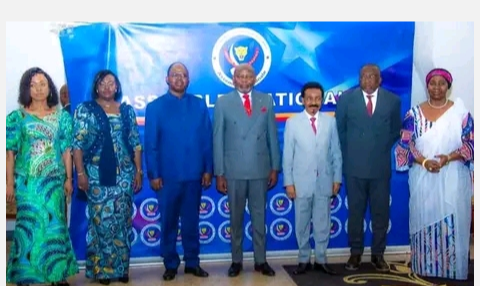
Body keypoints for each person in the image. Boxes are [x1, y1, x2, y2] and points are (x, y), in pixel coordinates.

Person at [394, 68, 473, 280]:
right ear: (427, 85)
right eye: (432, 83)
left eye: (442, 84)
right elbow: (405, 145)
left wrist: (448, 158)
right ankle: (424, 267)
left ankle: (452, 270)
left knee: (451, 219)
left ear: (448, 86)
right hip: (423, 177)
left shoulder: (461, 115)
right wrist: (424, 161)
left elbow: (470, 146)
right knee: (423, 218)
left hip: (452, 177)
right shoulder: (413, 115)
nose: (437, 88)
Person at [6, 67, 79, 286]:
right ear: (26, 89)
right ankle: (26, 274)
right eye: (33, 84)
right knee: (28, 227)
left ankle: (58, 274)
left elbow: (67, 150)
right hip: (27, 184)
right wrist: (9, 183)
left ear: (50, 88)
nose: (38, 89)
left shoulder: (62, 117)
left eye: (43, 84)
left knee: (55, 226)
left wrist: (69, 179)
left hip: (54, 183)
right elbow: (10, 152)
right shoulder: (17, 117)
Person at [72, 70, 143, 285]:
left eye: (111, 83)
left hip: (124, 174)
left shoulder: (126, 110)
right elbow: (77, 144)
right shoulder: (86, 110)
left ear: (117, 87)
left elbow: (135, 142)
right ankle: (102, 270)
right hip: (95, 175)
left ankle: (121, 268)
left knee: (122, 221)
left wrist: (138, 171)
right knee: (100, 223)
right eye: (102, 83)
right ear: (96, 86)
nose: (107, 87)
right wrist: (80, 174)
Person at [144, 62, 212, 281]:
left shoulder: (199, 105)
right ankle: (170, 264)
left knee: (192, 222)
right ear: (167, 79)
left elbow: (206, 140)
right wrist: (153, 174)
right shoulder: (155, 108)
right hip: (167, 178)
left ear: (188, 80)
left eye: (183, 75)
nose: (179, 79)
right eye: (175, 75)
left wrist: (208, 169)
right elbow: (151, 144)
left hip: (194, 175)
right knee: (169, 223)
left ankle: (193, 262)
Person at [213, 63, 281, 277]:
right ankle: (236, 261)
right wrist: (219, 172)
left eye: (248, 76)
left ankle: (261, 260)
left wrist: (275, 167)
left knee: (260, 217)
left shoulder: (266, 100)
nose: (244, 80)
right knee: (236, 218)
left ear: (255, 79)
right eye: (240, 76)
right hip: (233, 171)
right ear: (234, 80)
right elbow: (218, 139)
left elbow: (272, 135)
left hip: (260, 170)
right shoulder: (223, 102)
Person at [335, 63, 402, 272]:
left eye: (372, 76)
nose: (368, 80)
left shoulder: (393, 101)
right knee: (355, 212)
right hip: (354, 168)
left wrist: (376, 148)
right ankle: (355, 254)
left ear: (380, 79)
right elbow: (341, 131)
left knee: (380, 213)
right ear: (359, 79)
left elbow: (394, 132)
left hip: (380, 169)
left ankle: (378, 255)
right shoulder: (346, 99)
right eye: (364, 76)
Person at [282, 81, 343, 276]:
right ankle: (303, 259)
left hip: (324, 182)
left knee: (322, 222)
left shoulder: (330, 122)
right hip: (300, 184)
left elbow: (336, 153)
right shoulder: (292, 123)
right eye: (309, 99)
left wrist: (337, 179)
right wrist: (289, 182)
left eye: (317, 99)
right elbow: (287, 156)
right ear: (303, 100)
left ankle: (321, 259)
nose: (313, 103)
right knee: (301, 223)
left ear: (322, 100)